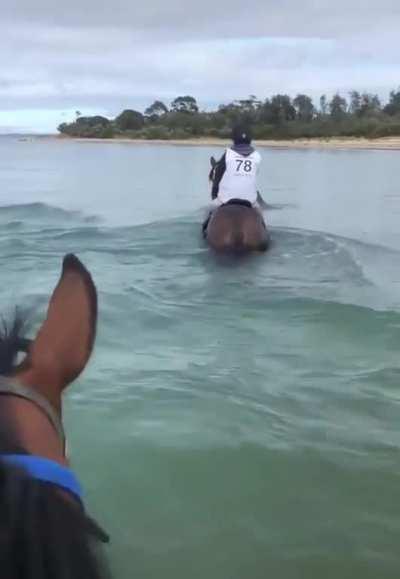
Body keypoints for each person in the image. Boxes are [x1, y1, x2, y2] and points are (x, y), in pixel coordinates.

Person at [203, 124, 265, 234]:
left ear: (234, 139)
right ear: (250, 140)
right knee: (261, 216)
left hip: (226, 199)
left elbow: (217, 178)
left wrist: (214, 196)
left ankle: (204, 232)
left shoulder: (228, 154)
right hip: (250, 200)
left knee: (207, 211)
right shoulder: (257, 156)